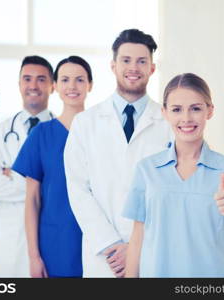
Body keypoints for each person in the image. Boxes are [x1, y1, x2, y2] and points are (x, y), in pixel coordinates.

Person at [123, 73, 224, 278]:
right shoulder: (147, 169)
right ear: (165, 113)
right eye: (177, 110)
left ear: (209, 111)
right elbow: (137, 238)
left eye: (195, 108)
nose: (186, 118)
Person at [64, 29, 172, 277]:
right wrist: (112, 245)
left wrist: (136, 246)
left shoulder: (168, 123)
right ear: (113, 66)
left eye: (141, 61)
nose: (133, 67)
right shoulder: (85, 123)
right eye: (126, 60)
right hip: (105, 257)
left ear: (152, 68)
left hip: (151, 250)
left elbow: (171, 191)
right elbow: (78, 190)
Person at [13, 56, 93, 278]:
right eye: (65, 79)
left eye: (79, 79)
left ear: (90, 85)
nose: (72, 86)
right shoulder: (42, 134)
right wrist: (33, 256)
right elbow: (32, 199)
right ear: (55, 86)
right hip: (54, 242)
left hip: (96, 238)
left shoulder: (100, 132)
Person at [0, 56, 55, 277]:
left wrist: (14, 175)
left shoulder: (64, 131)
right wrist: (44, 185)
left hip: (50, 233)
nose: (33, 85)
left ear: (53, 85)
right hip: (10, 238)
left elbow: (71, 187)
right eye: (27, 79)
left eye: (41, 79)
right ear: (19, 85)